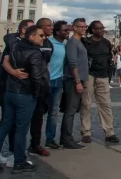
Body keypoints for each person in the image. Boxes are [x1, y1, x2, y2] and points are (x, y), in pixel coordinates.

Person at [0, 25, 48, 174]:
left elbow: (6, 61)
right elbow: (37, 77)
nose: (43, 38)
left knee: (4, 125)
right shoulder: (35, 53)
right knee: (21, 129)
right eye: (40, 35)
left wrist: (13, 72)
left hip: (10, 91)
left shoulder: (15, 46)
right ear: (31, 37)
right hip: (25, 94)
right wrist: (37, 94)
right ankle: (19, 161)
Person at [0, 19, 33, 167]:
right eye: (32, 28)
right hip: (7, 87)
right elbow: (6, 61)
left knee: (10, 123)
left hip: (12, 88)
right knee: (9, 123)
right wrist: (14, 73)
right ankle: (10, 155)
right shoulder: (14, 42)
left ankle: (4, 155)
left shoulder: (19, 43)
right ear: (23, 31)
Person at [80, 21, 120, 144]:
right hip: (89, 75)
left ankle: (109, 132)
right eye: (99, 28)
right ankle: (86, 132)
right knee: (86, 103)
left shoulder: (106, 43)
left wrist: (109, 73)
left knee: (105, 104)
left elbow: (109, 58)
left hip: (103, 76)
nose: (102, 30)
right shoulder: (86, 42)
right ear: (92, 30)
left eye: (103, 28)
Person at [26, 18, 54, 157]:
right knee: (22, 118)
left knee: (38, 117)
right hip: (29, 86)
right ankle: (15, 148)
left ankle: (35, 144)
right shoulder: (29, 44)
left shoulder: (48, 43)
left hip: (43, 85)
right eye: (48, 26)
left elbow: (46, 63)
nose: (51, 28)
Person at [60, 18, 88, 150]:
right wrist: (77, 81)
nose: (84, 28)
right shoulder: (72, 43)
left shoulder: (79, 42)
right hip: (73, 80)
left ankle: (65, 138)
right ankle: (67, 139)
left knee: (72, 110)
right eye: (81, 26)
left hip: (78, 80)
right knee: (70, 110)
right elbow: (72, 63)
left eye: (85, 26)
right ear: (74, 28)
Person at [45, 20, 69, 150]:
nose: (67, 32)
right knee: (38, 111)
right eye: (65, 30)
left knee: (53, 112)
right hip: (46, 81)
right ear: (57, 32)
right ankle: (35, 141)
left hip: (58, 81)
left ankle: (50, 139)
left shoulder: (65, 44)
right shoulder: (48, 43)